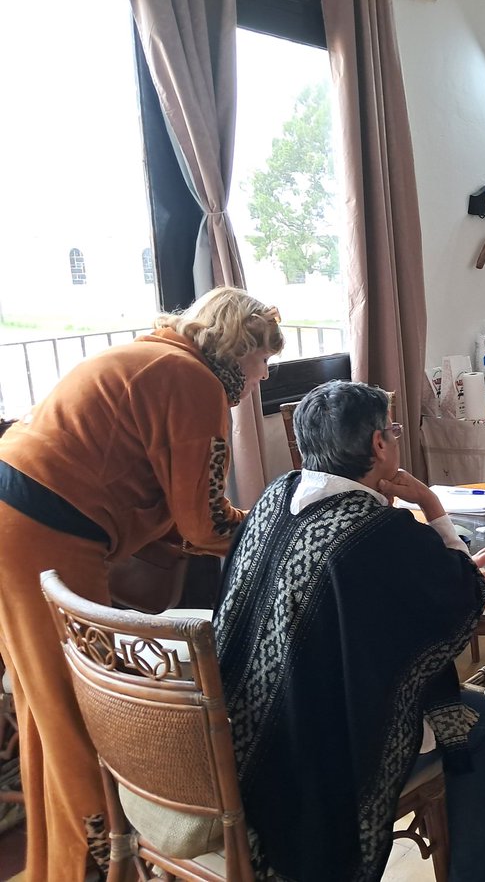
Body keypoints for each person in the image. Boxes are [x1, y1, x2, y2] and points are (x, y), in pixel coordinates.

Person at [0, 287, 284, 879]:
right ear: (241, 348)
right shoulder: (197, 382)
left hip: (19, 515)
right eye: (263, 362)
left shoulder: (157, 356)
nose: (262, 377)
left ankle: (56, 865)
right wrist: (274, 527)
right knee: (83, 714)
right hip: (45, 530)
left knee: (42, 707)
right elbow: (203, 520)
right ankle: (98, 869)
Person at [214, 381, 485, 882]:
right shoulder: (377, 533)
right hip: (314, 762)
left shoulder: (274, 496)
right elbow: (462, 593)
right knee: (477, 718)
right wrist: (432, 508)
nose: (394, 437)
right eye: (392, 430)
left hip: (236, 737)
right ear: (378, 445)